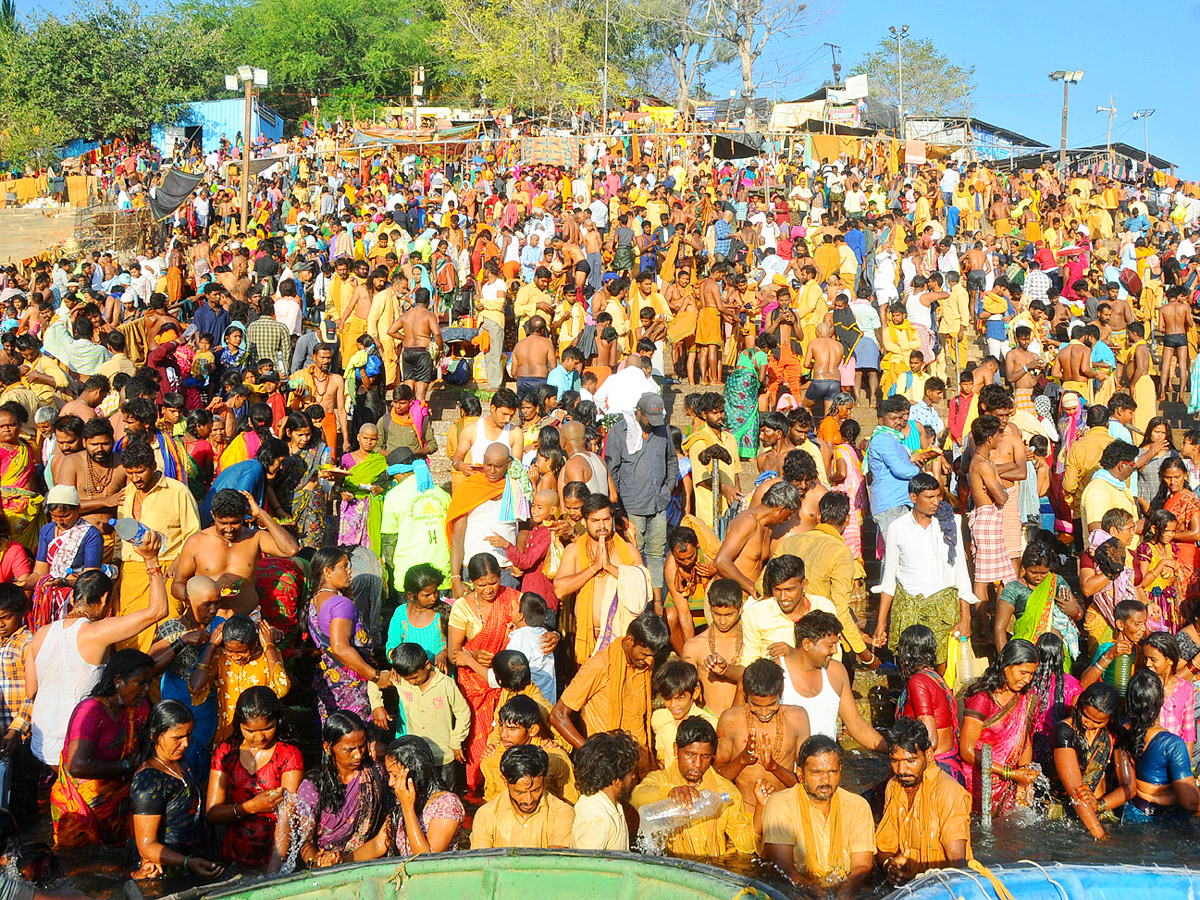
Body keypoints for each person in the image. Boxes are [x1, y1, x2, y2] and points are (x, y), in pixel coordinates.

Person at [28, 533, 168, 769]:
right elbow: (157, 611)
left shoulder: (40, 634)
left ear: (74, 598)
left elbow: (32, 691)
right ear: (105, 599)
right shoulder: (95, 633)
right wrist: (151, 561)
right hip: (75, 747)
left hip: (40, 745)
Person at [49, 649, 155, 847]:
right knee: (81, 868)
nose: (147, 689)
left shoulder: (137, 708)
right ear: (118, 681)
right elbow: (77, 766)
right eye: (141, 682)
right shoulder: (90, 711)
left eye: (150, 682)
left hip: (119, 801)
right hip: (79, 806)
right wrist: (125, 767)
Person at [875, 473, 973, 664]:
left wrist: (966, 617)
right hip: (908, 611)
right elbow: (889, 580)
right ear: (913, 498)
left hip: (944, 611)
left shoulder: (950, 524)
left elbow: (960, 571)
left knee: (943, 672)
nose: (936, 502)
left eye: (938, 496)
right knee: (910, 671)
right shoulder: (897, 528)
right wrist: (881, 623)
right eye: (929, 497)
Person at [761, 735, 875, 897]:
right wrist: (813, 892)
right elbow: (781, 867)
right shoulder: (780, 804)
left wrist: (845, 891)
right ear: (800, 773)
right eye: (816, 772)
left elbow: (863, 866)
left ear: (840, 770)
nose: (825, 780)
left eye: (832, 772)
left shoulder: (857, 806)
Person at [205, 686, 303, 872]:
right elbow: (212, 814)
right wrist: (251, 806)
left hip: (273, 853)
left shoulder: (289, 754)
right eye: (250, 731)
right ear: (239, 725)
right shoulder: (226, 752)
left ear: (278, 721)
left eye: (268, 728)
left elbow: (286, 819)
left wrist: (273, 873)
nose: (260, 737)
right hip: (233, 854)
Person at [631, 716, 759, 857]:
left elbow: (745, 845)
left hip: (711, 869)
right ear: (676, 750)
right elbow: (636, 797)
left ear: (713, 755)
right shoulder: (660, 780)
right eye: (690, 755)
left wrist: (761, 809)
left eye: (705, 756)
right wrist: (670, 793)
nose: (697, 764)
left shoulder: (725, 792)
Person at [447, 553, 523, 790]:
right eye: (481, 585)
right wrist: (474, 654)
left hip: (508, 684)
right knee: (479, 747)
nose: (488, 589)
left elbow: (531, 631)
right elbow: (453, 653)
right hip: (476, 686)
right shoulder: (462, 608)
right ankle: (476, 792)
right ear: (471, 582)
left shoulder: (513, 600)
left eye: (493, 583)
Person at [551, 611, 669, 758]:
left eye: (653, 656)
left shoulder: (643, 664)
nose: (650, 661)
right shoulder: (599, 666)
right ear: (629, 641)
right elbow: (558, 715)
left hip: (638, 762)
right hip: (607, 763)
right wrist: (591, 754)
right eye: (645, 654)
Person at [130, 701, 223, 880]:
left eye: (188, 735)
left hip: (194, 857)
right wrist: (187, 862)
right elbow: (147, 845)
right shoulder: (149, 780)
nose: (186, 743)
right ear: (154, 735)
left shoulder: (178, 762)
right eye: (177, 738)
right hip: (169, 869)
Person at [171, 487, 300, 617]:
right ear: (213, 515)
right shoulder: (196, 542)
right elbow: (177, 585)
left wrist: (261, 513)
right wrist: (202, 598)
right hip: (210, 621)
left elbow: (290, 550)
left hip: (247, 619)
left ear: (243, 517)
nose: (229, 529)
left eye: (235, 523)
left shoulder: (255, 538)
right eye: (223, 523)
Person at [553, 493, 650, 664]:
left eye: (606, 519)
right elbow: (560, 589)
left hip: (623, 639)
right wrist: (594, 567)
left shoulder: (627, 550)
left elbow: (642, 589)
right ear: (584, 521)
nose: (602, 525)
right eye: (595, 521)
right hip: (587, 638)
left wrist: (611, 568)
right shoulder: (574, 551)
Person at [875, 717, 972, 882]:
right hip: (906, 886)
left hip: (942, 888)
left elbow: (958, 867)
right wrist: (889, 866)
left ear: (928, 755)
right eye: (894, 761)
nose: (902, 770)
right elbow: (883, 847)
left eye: (911, 761)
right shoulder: (893, 786)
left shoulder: (948, 792)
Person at [604, 393, 677, 599]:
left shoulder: (663, 431)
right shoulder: (619, 433)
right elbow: (612, 470)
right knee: (634, 555)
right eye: (648, 419)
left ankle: (656, 602)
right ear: (638, 412)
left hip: (658, 504)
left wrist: (669, 487)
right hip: (631, 506)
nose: (652, 424)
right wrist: (618, 504)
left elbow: (672, 460)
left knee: (656, 554)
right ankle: (637, 598)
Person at [778, 612, 885, 749]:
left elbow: (855, 724)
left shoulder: (836, 671)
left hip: (827, 766)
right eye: (830, 645)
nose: (835, 651)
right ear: (807, 644)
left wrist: (891, 751)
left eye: (836, 644)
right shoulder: (777, 672)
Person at [306, 546, 388, 724]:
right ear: (328, 571)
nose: (350, 571)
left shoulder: (315, 599)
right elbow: (340, 648)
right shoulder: (340, 604)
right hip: (350, 685)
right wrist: (375, 676)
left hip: (330, 683)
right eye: (344, 566)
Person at [296, 711, 389, 867]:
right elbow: (304, 841)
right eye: (349, 750)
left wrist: (344, 861)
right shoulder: (314, 785)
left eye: (362, 747)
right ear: (328, 747)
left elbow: (385, 828)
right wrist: (319, 862)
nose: (358, 755)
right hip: (322, 864)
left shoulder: (375, 774)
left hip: (364, 860)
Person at [959, 639, 1041, 816]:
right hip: (979, 782)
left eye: (1032, 674)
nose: (1028, 680)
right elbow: (967, 750)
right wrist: (1009, 773)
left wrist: (1024, 776)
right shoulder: (983, 699)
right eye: (1023, 673)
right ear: (1006, 666)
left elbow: (1023, 741)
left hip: (1010, 782)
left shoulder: (1025, 699)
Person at [148, 575, 220, 773]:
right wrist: (181, 642)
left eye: (217, 603)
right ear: (189, 601)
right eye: (207, 605)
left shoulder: (219, 624)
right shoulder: (172, 628)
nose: (213, 610)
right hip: (179, 704)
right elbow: (150, 667)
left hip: (208, 708)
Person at [354, 736, 464, 858]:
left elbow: (426, 859)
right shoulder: (405, 798)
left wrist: (407, 808)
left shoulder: (447, 804)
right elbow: (379, 844)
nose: (390, 783)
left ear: (414, 773)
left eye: (395, 776)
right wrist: (341, 861)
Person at [1049, 682, 1133, 839]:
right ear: (1079, 706)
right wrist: (1100, 836)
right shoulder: (1064, 731)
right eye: (1085, 715)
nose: (1088, 723)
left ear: (1109, 718)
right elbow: (1076, 792)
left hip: (1098, 812)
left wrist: (1100, 805)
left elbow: (1129, 788)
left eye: (1098, 722)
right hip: (1060, 816)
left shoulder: (1112, 735)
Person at [191, 614, 291, 745]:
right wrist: (211, 646)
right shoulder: (220, 657)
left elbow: (281, 689)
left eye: (242, 652)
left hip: (261, 736)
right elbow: (195, 687)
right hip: (227, 737)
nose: (236, 657)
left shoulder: (266, 656)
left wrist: (269, 646)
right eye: (230, 651)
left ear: (254, 643)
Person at [388, 643, 470, 789]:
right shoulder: (401, 681)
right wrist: (378, 707)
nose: (412, 682)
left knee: (446, 795)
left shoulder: (446, 684)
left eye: (414, 677)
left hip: (444, 756)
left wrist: (456, 741)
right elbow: (375, 683)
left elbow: (463, 711)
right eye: (408, 679)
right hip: (417, 756)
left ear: (427, 665)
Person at [1122, 669, 1200, 823]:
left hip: (1131, 812)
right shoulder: (1172, 744)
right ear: (1162, 700)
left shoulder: (1121, 729)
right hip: (1162, 819)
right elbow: (1190, 803)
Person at [470, 745, 574, 849]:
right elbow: (481, 862)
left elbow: (556, 861)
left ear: (544, 779)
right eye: (520, 792)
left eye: (536, 790)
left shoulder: (562, 813)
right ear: (505, 781)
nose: (529, 800)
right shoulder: (486, 815)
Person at [895, 624, 963, 784]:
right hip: (948, 767)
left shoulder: (918, 682)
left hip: (935, 771)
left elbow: (930, 739)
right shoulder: (937, 678)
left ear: (905, 655)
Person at [29, 485, 103, 631]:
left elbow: (90, 578)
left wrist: (64, 582)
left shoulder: (91, 535)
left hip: (75, 598)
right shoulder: (47, 530)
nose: (59, 522)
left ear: (78, 509)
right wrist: (24, 583)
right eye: (54, 516)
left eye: (64, 516)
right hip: (48, 600)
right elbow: (40, 572)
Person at [480, 694, 575, 803]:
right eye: (501, 726)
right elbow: (490, 802)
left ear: (533, 730)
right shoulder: (492, 759)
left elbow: (571, 800)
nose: (503, 735)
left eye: (512, 729)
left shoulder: (555, 758)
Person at [570, 730, 640, 851]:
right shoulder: (597, 820)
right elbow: (586, 867)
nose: (633, 778)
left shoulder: (611, 806)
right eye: (631, 774)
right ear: (617, 781)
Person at [386, 563, 450, 670]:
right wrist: (398, 662)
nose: (433, 598)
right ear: (411, 595)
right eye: (427, 595)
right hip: (410, 677)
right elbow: (392, 645)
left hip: (440, 676)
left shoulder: (445, 611)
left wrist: (445, 653)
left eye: (435, 592)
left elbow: (458, 645)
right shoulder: (401, 613)